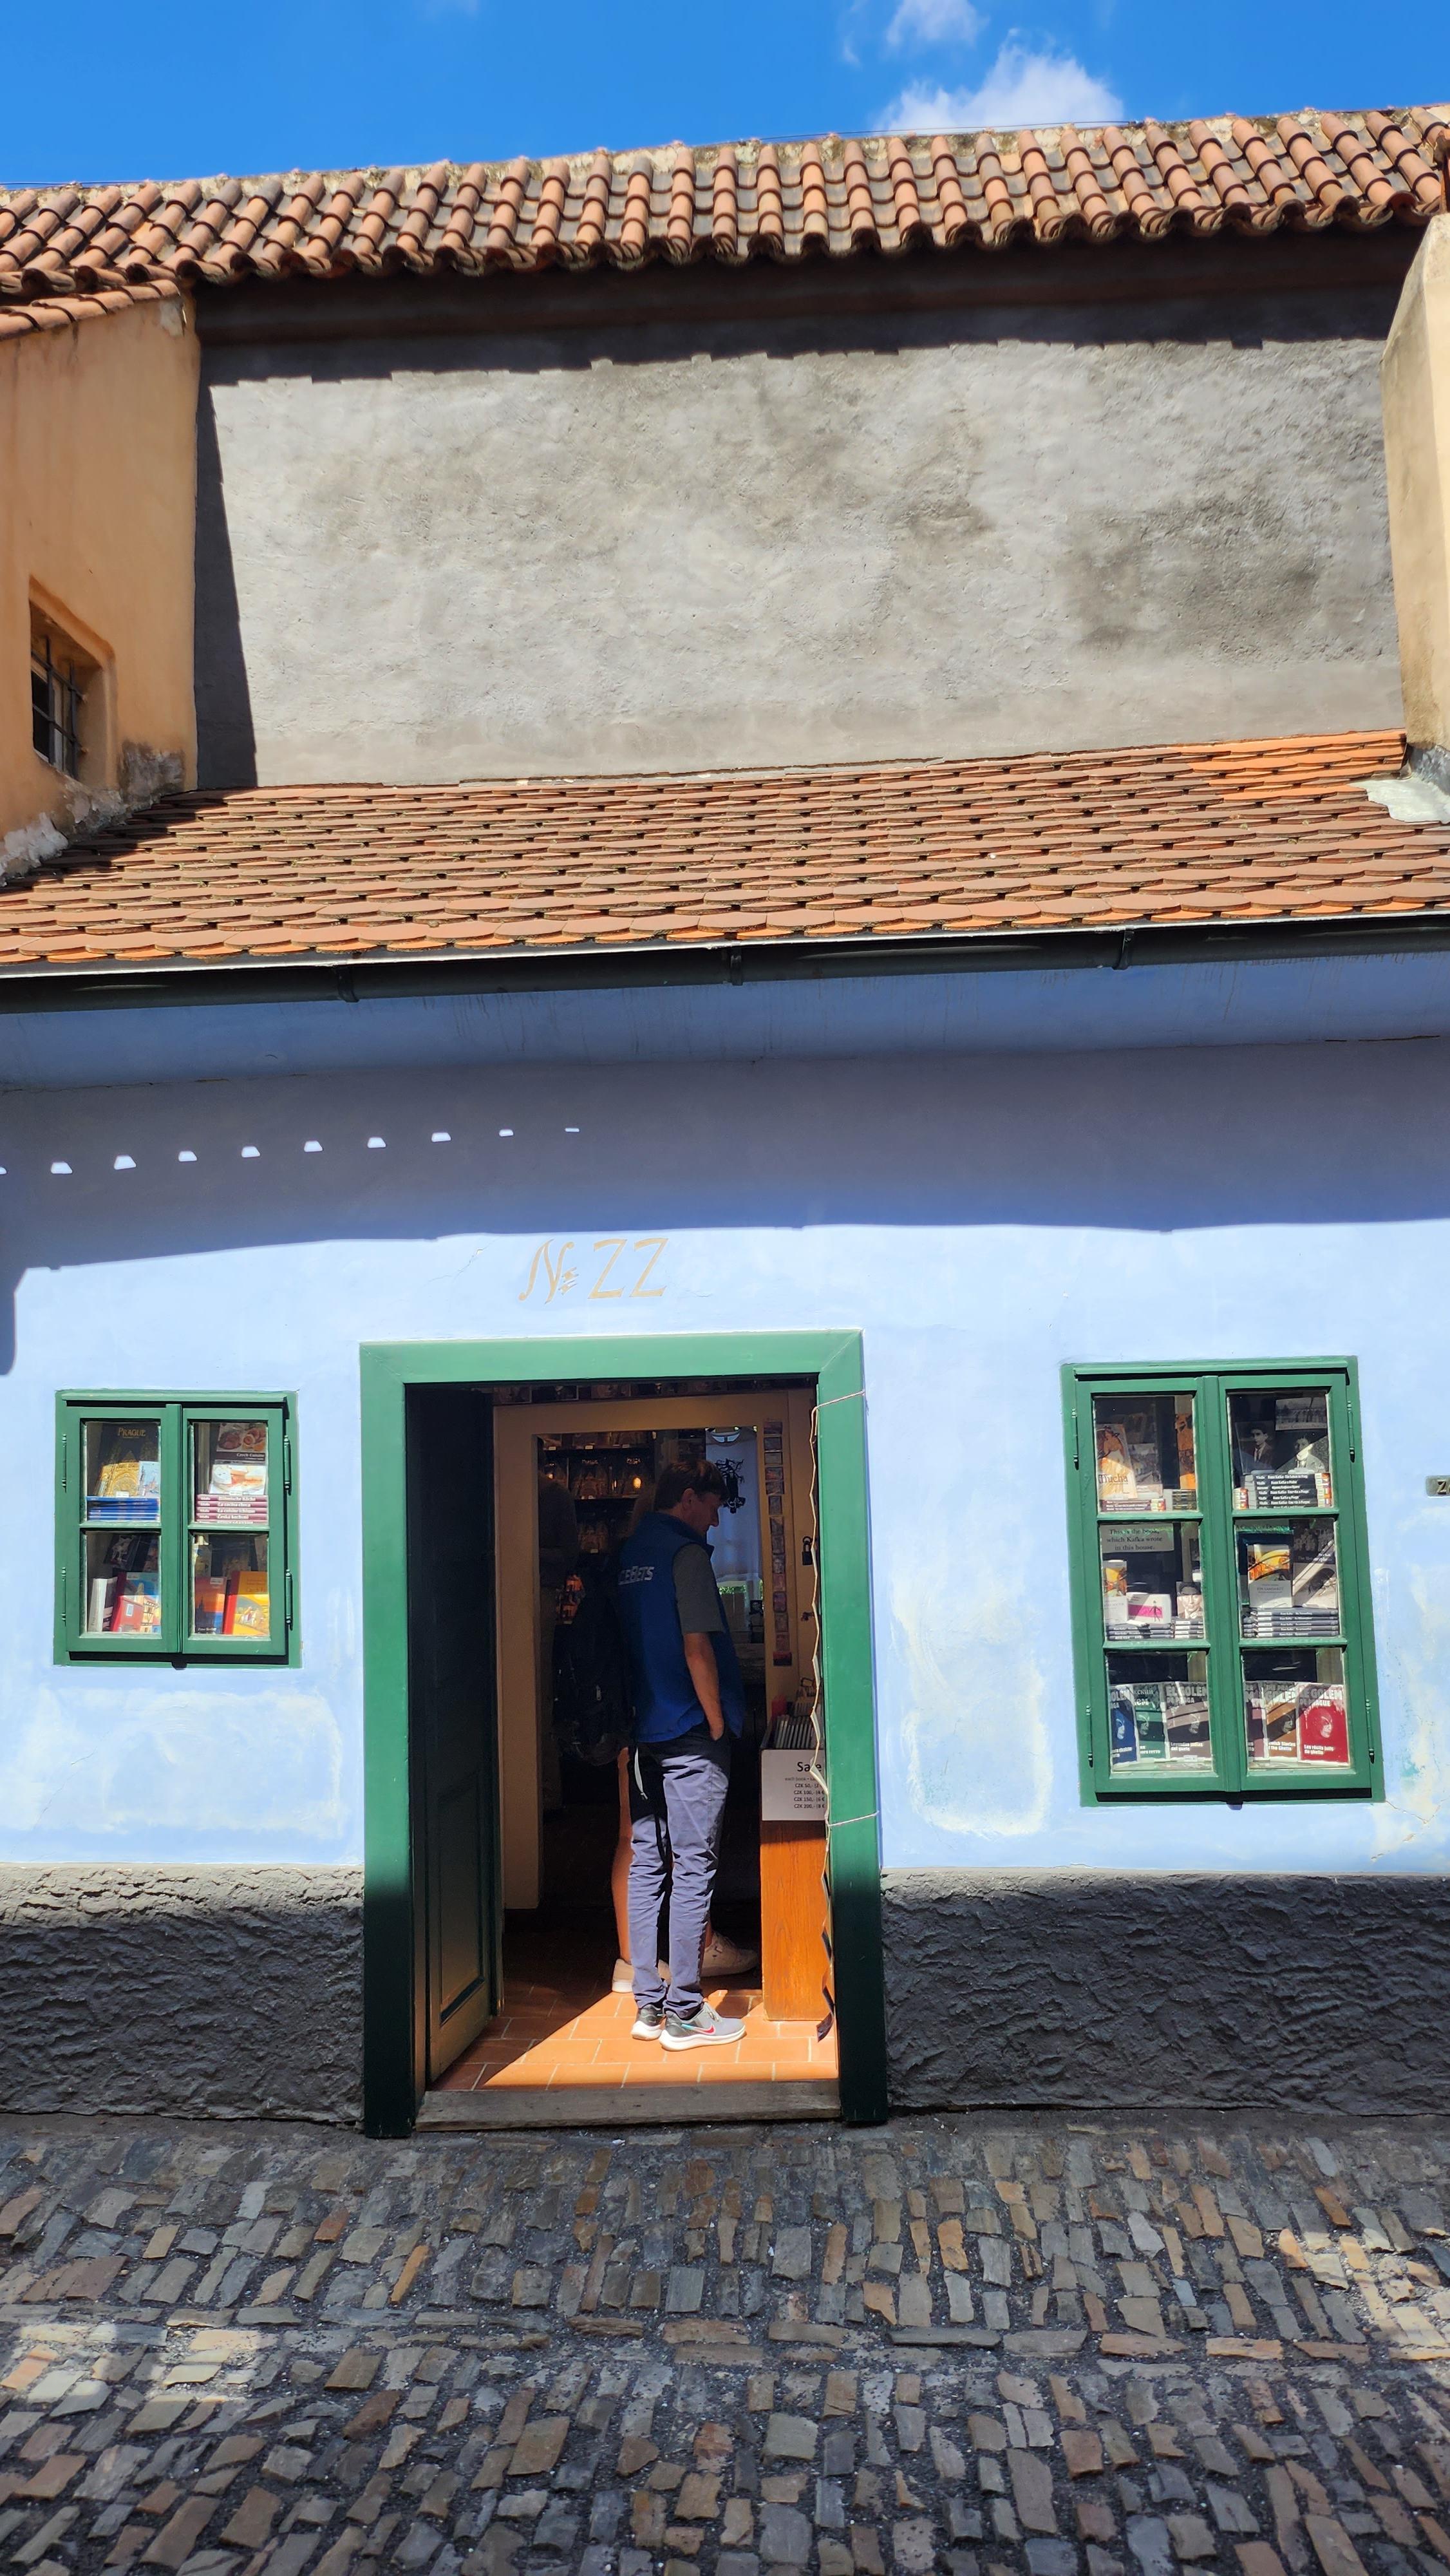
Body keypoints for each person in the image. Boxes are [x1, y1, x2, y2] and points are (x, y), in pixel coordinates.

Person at [615, 1462, 748, 2049]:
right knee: (694, 1867)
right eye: (713, 1507)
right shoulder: (685, 1555)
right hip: (690, 1731)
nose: (715, 1521)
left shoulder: (629, 1554)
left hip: (644, 1733)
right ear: (688, 1498)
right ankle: (686, 2012)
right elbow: (698, 1649)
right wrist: (717, 1723)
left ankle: (649, 2006)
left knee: (648, 1864)